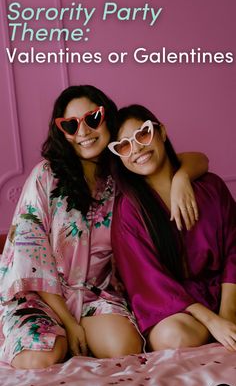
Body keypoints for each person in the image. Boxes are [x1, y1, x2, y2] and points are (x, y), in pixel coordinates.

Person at [0, 86, 208, 369]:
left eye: (92, 118)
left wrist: (182, 177)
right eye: (71, 125)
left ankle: (72, 340)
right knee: (41, 357)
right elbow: (32, 256)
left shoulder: (123, 172)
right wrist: (71, 325)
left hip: (94, 295)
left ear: (107, 117)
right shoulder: (46, 176)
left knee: (126, 347)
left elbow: (192, 159)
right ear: (63, 132)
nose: (83, 131)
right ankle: (51, 338)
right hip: (40, 296)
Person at [109, 104, 236, 352]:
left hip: (227, 292)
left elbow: (234, 248)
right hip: (179, 310)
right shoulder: (129, 212)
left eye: (143, 134)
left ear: (162, 132)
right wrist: (212, 321)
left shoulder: (211, 187)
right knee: (172, 336)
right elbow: (150, 282)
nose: (137, 148)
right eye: (124, 145)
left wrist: (228, 313)